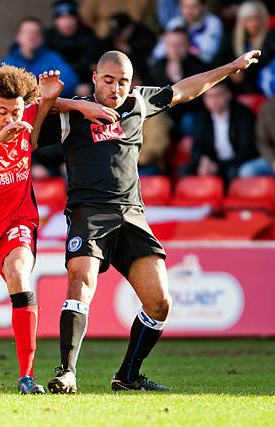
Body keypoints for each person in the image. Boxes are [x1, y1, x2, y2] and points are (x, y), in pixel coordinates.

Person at [44, 49, 261, 394]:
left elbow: (186, 89)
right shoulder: (73, 116)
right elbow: (32, 111)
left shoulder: (138, 103)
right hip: (91, 213)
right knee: (80, 280)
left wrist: (231, 67)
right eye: (110, 80)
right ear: (96, 77)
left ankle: (128, 376)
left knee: (160, 303)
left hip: (131, 214)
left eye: (123, 81)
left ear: (132, 83)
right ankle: (67, 372)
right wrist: (77, 104)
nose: (116, 88)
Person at [0, 65, 119, 394]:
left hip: (17, 223)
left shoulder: (27, 120)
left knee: (18, 272)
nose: (11, 118)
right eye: (2, 112)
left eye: (16, 111)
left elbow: (47, 105)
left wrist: (71, 102)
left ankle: (27, 376)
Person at [184, 81, 257, 182]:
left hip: (236, 161)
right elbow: (197, 147)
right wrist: (203, 161)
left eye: (218, 95)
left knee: (233, 172)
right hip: (213, 161)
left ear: (229, 94)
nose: (214, 100)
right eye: (209, 96)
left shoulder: (243, 115)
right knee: (185, 171)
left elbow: (246, 150)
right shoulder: (202, 117)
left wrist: (218, 166)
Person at [1, 17, 79, 97]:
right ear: (18, 37)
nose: (32, 36)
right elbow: (6, 89)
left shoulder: (52, 58)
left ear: (42, 38)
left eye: (36, 32)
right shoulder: (8, 61)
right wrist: (44, 88)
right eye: (27, 32)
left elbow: (71, 82)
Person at [152, 0, 224, 64]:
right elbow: (158, 53)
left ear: (203, 6)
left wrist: (179, 47)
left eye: (194, 6)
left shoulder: (213, 22)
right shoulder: (175, 23)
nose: (189, 11)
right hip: (176, 65)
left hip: (202, 67)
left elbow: (208, 57)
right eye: (185, 6)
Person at [238, 97, 275, 176]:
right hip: (273, 157)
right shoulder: (268, 107)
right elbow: (262, 141)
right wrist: (272, 161)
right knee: (247, 171)